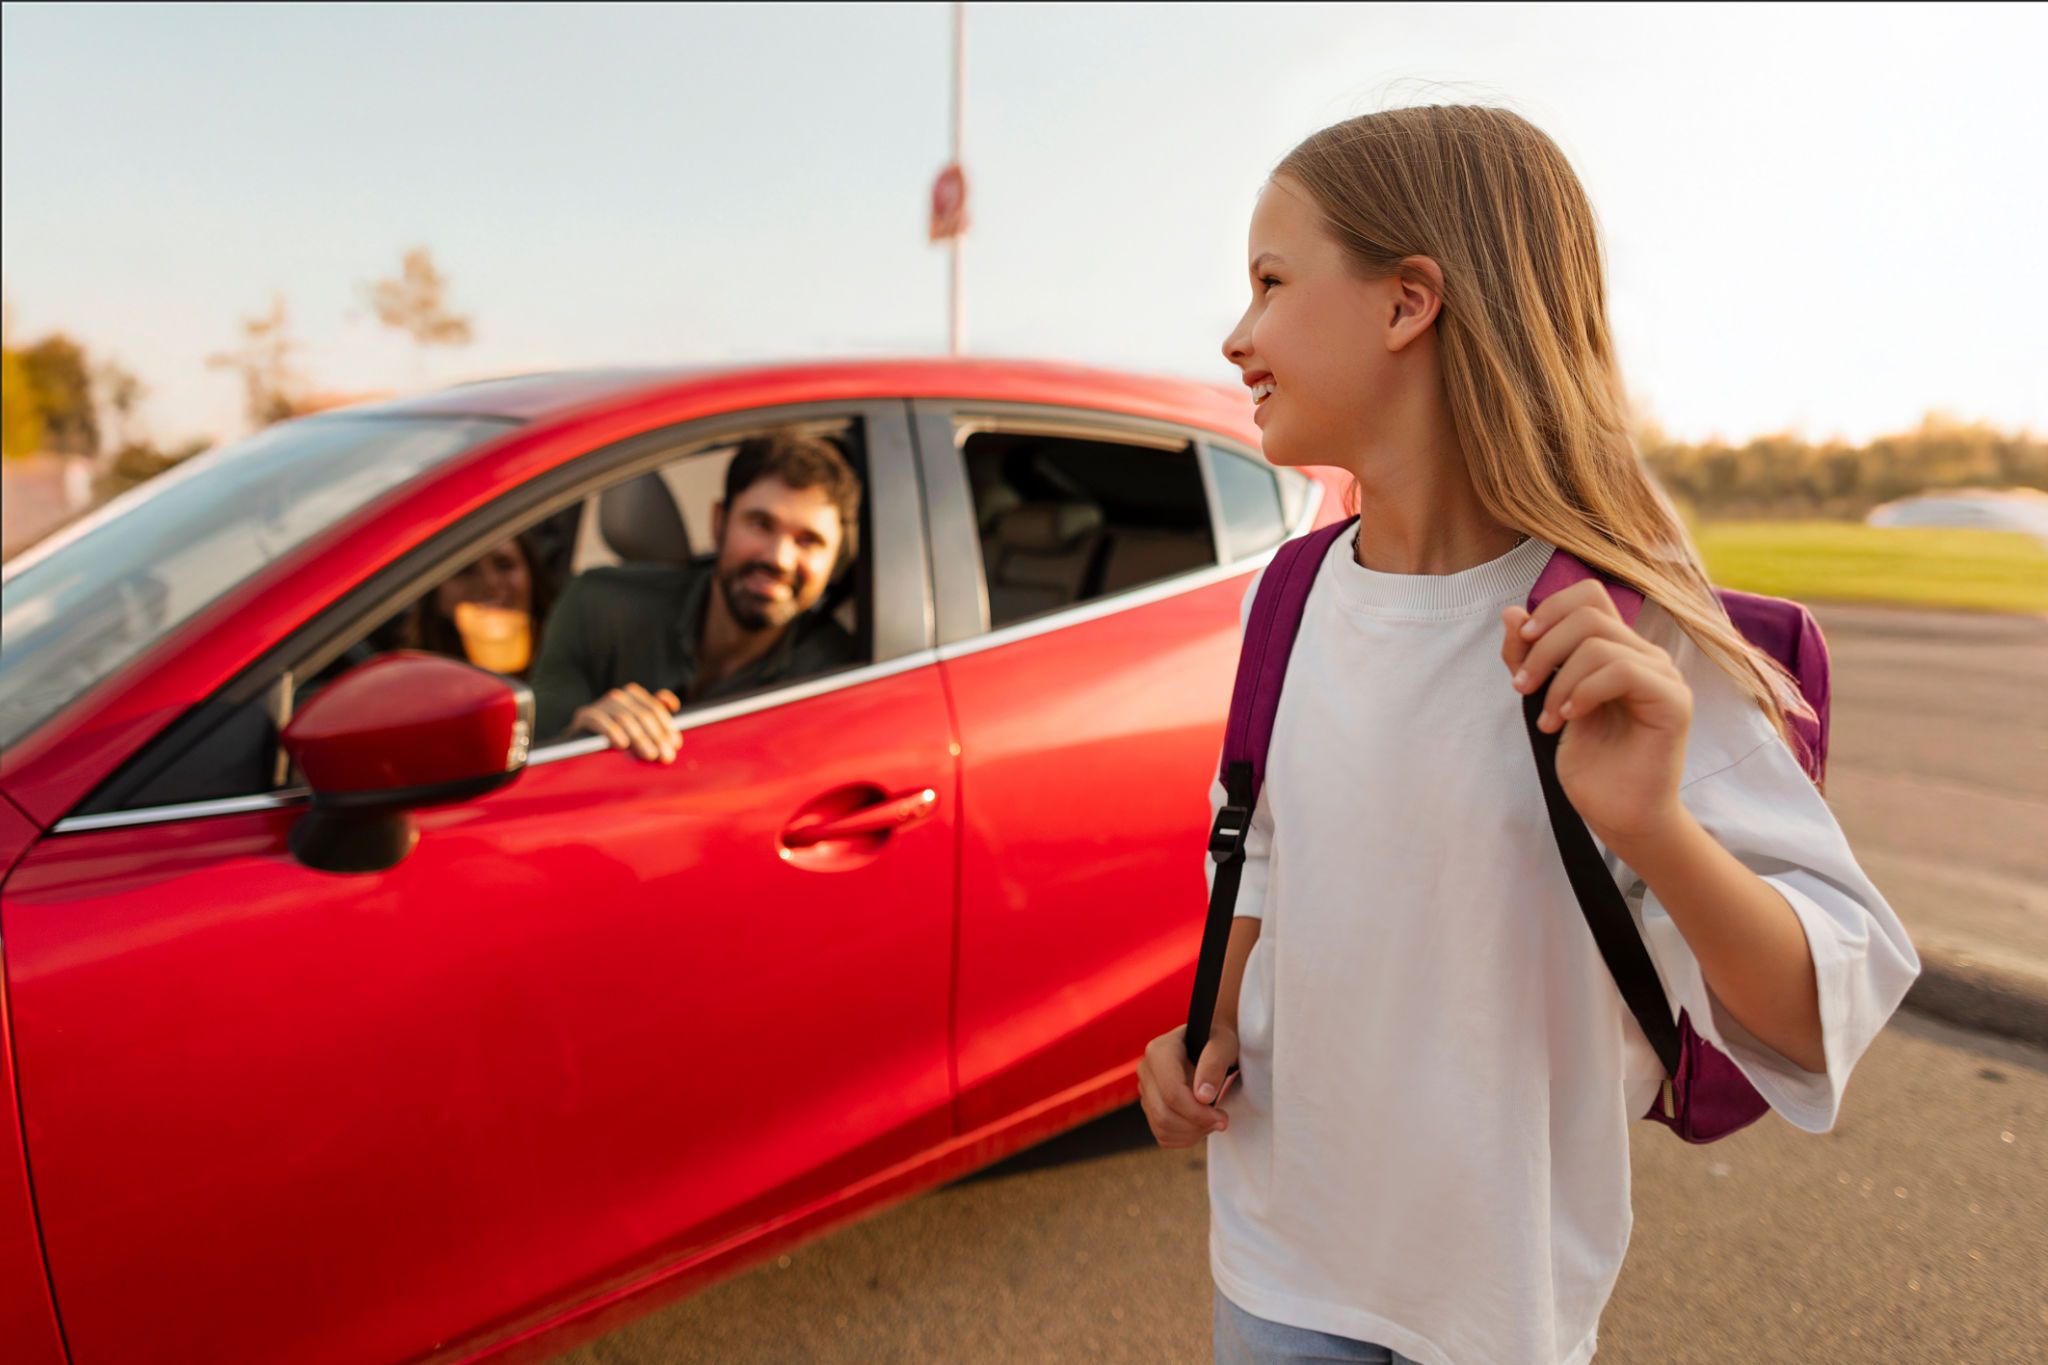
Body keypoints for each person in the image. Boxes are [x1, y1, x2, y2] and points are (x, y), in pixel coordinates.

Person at [1133, 106, 1919, 1365]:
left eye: (1270, 282)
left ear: (1407, 304)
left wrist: (1653, 825)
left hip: (1492, 1311)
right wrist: (1208, 1023)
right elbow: (1265, 850)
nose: (1236, 336)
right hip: (1276, 1264)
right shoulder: (1281, 601)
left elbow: (1821, 1010)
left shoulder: (1627, 629)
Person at [530, 430, 862, 758]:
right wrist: (580, 737)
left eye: (808, 541)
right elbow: (532, 756)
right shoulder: (596, 605)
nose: (778, 558)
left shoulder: (841, 676)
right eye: (760, 524)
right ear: (719, 523)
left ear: (836, 562)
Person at [399, 533, 556, 680]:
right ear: (435, 594)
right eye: (465, 570)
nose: (491, 584)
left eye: (504, 565)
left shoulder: (572, 660)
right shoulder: (413, 683)